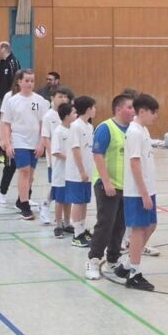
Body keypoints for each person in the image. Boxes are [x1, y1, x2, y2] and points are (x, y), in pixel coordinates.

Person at [85, 94, 135, 280]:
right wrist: (106, 182)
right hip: (107, 184)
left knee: (120, 226)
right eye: (130, 107)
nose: (133, 111)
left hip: (126, 186)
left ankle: (112, 259)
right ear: (119, 109)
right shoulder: (106, 128)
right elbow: (98, 155)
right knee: (105, 224)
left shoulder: (133, 129)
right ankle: (93, 260)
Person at [0, 69, 49, 220]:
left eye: (32, 81)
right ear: (19, 82)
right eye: (26, 80)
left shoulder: (40, 101)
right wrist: (7, 143)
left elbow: (44, 123)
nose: (29, 83)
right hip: (19, 140)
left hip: (35, 141)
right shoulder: (12, 101)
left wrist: (42, 143)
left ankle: (21, 200)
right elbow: (6, 124)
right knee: (24, 171)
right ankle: (25, 206)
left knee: (31, 175)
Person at [122, 93, 159, 291]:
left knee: (151, 225)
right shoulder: (134, 132)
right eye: (153, 112)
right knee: (138, 230)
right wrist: (144, 193)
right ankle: (134, 274)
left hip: (148, 188)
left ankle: (128, 264)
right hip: (137, 192)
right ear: (142, 111)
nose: (155, 116)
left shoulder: (143, 129)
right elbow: (135, 163)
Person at [38, 86, 74, 225]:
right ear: (52, 98)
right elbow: (46, 137)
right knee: (57, 185)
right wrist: (52, 155)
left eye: (65, 97)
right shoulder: (48, 116)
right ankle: (46, 206)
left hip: (69, 159)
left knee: (65, 186)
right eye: (60, 96)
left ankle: (65, 218)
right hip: (56, 158)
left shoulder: (70, 115)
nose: (63, 99)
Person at [66, 96, 96, 248]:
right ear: (88, 109)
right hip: (76, 173)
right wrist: (82, 170)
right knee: (78, 202)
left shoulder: (89, 126)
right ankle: (76, 234)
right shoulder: (75, 126)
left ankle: (82, 230)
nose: (95, 110)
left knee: (84, 201)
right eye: (93, 107)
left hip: (88, 172)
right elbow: (76, 150)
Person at [50, 102, 75, 238]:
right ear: (66, 116)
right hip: (60, 173)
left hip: (70, 172)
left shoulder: (74, 130)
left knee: (68, 199)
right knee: (59, 200)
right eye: (74, 113)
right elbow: (56, 151)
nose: (76, 115)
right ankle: (58, 225)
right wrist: (71, 158)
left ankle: (67, 222)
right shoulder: (58, 131)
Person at [0, 80, 21, 205]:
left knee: (27, 171)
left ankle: (25, 197)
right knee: (10, 168)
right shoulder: (9, 96)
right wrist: (3, 139)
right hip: (12, 139)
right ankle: (2, 192)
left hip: (27, 141)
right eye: (26, 80)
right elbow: (3, 119)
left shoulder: (34, 99)